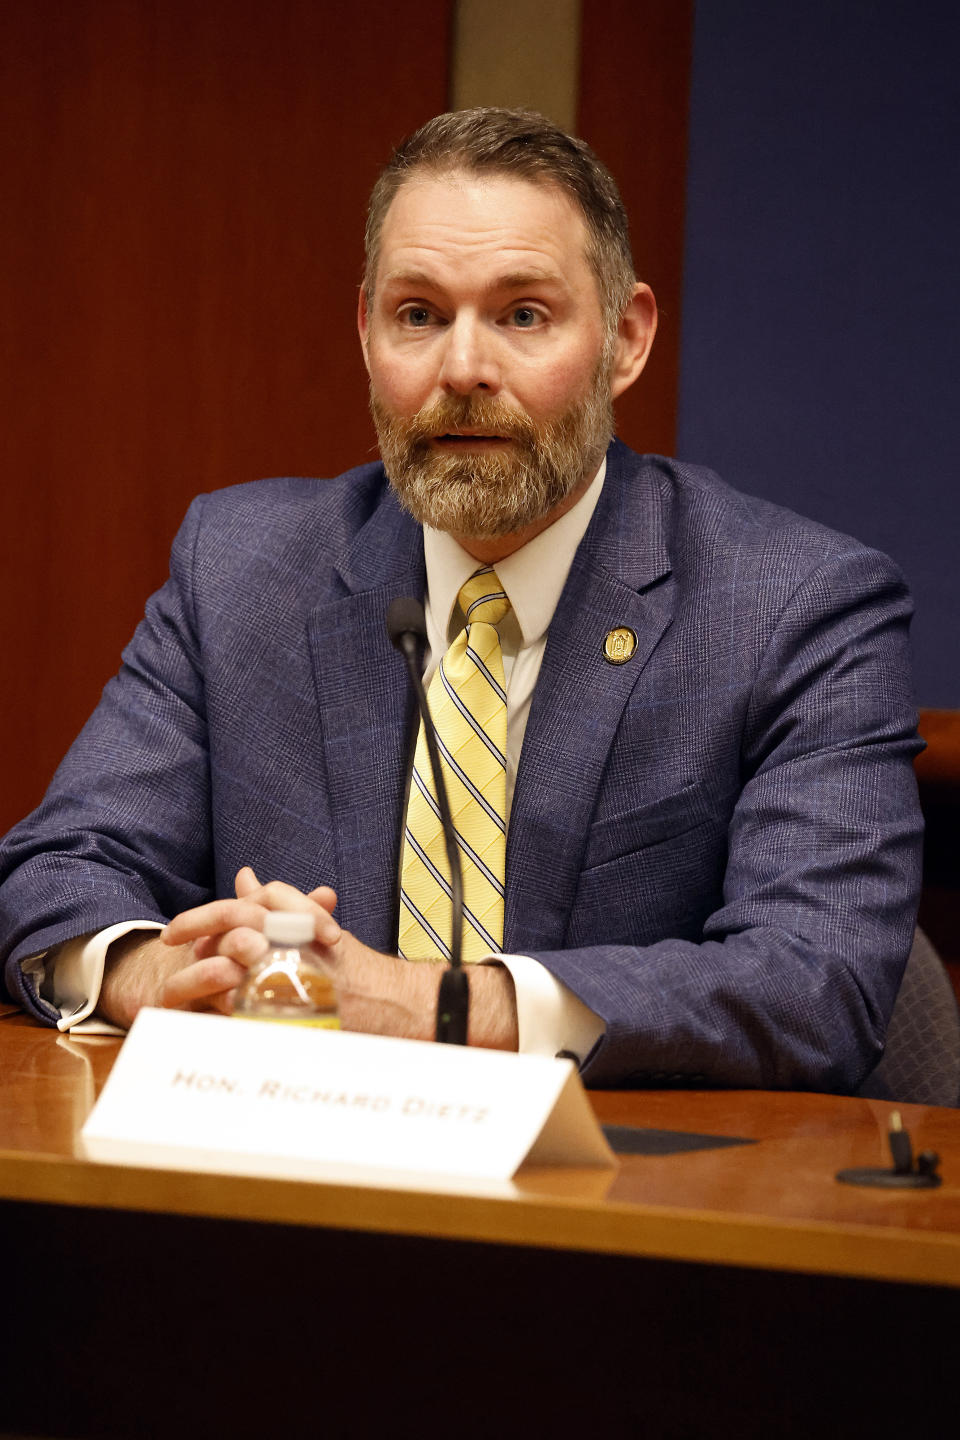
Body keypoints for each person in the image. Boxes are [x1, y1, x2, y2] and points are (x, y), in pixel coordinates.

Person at [0, 108, 923, 1090]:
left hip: (620, 1208)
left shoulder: (796, 609)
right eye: (419, 315)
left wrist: (425, 1006)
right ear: (366, 334)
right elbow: (56, 867)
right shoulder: (242, 570)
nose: (463, 370)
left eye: (523, 314)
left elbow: (817, 984)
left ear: (626, 338)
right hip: (284, 1191)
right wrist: (157, 973)